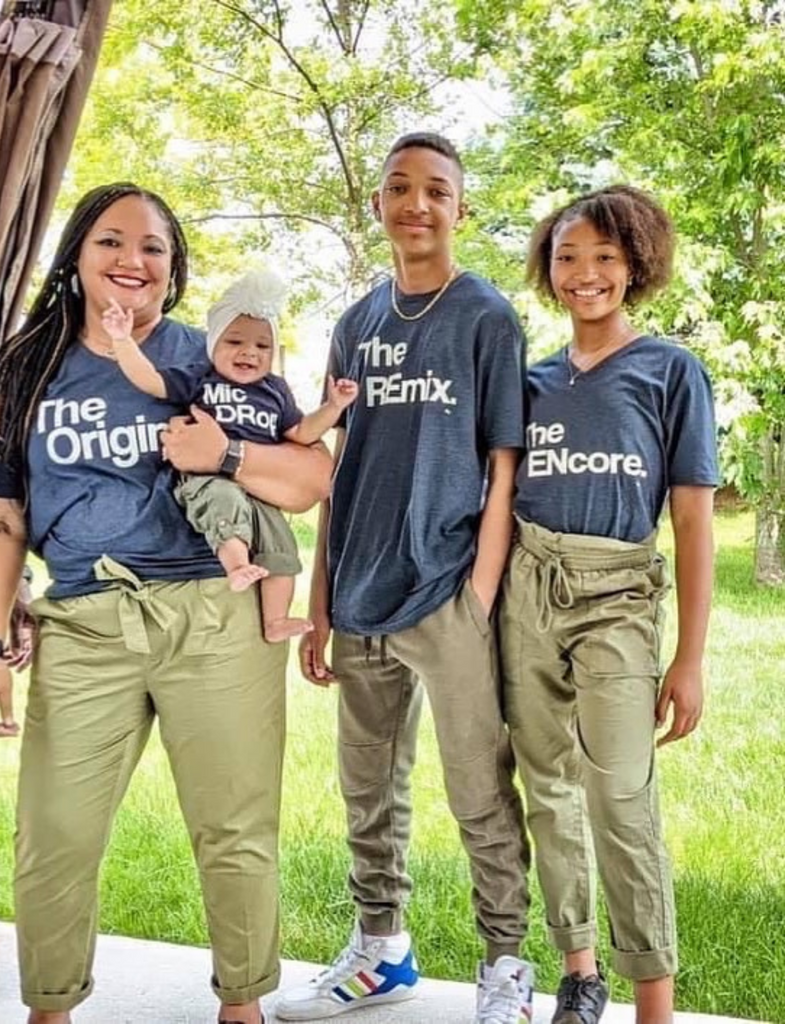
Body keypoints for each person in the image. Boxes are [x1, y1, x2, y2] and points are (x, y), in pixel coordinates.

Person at [0, 182, 332, 1024]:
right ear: (76, 258)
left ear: (174, 270)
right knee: (55, 836)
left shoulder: (207, 360)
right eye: (110, 242)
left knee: (235, 831)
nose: (132, 261)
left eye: (154, 248)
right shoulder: (24, 367)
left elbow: (311, 478)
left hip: (212, 613)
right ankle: (49, 1008)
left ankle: (243, 1006)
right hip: (87, 622)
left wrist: (227, 451)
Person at [274, 132, 533, 1024]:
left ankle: (506, 963)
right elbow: (341, 465)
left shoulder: (485, 317)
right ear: (379, 204)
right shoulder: (357, 324)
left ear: (461, 208)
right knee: (367, 783)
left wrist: (479, 594)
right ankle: (381, 950)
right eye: (399, 188)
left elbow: (504, 463)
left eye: (435, 191)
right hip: (359, 595)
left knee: (476, 787)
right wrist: (320, 604)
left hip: (449, 591)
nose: (415, 204)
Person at [499, 185, 717, 1024]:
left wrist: (688, 658)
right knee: (546, 787)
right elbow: (500, 494)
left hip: (618, 594)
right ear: (548, 271)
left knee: (621, 794)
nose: (584, 273)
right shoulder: (532, 379)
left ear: (636, 266)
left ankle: (651, 999)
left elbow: (694, 518)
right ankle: (580, 971)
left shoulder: (669, 371)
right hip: (528, 589)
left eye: (604, 258)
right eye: (567, 257)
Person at [102, 267, 358, 641]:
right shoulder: (201, 378)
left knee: (282, 547)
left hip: (258, 487)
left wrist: (334, 407)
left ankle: (274, 621)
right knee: (223, 502)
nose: (248, 353)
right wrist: (123, 342)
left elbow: (302, 433)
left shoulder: (275, 391)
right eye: (235, 341)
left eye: (261, 346)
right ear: (214, 344)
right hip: (207, 480)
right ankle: (236, 564)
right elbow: (152, 381)